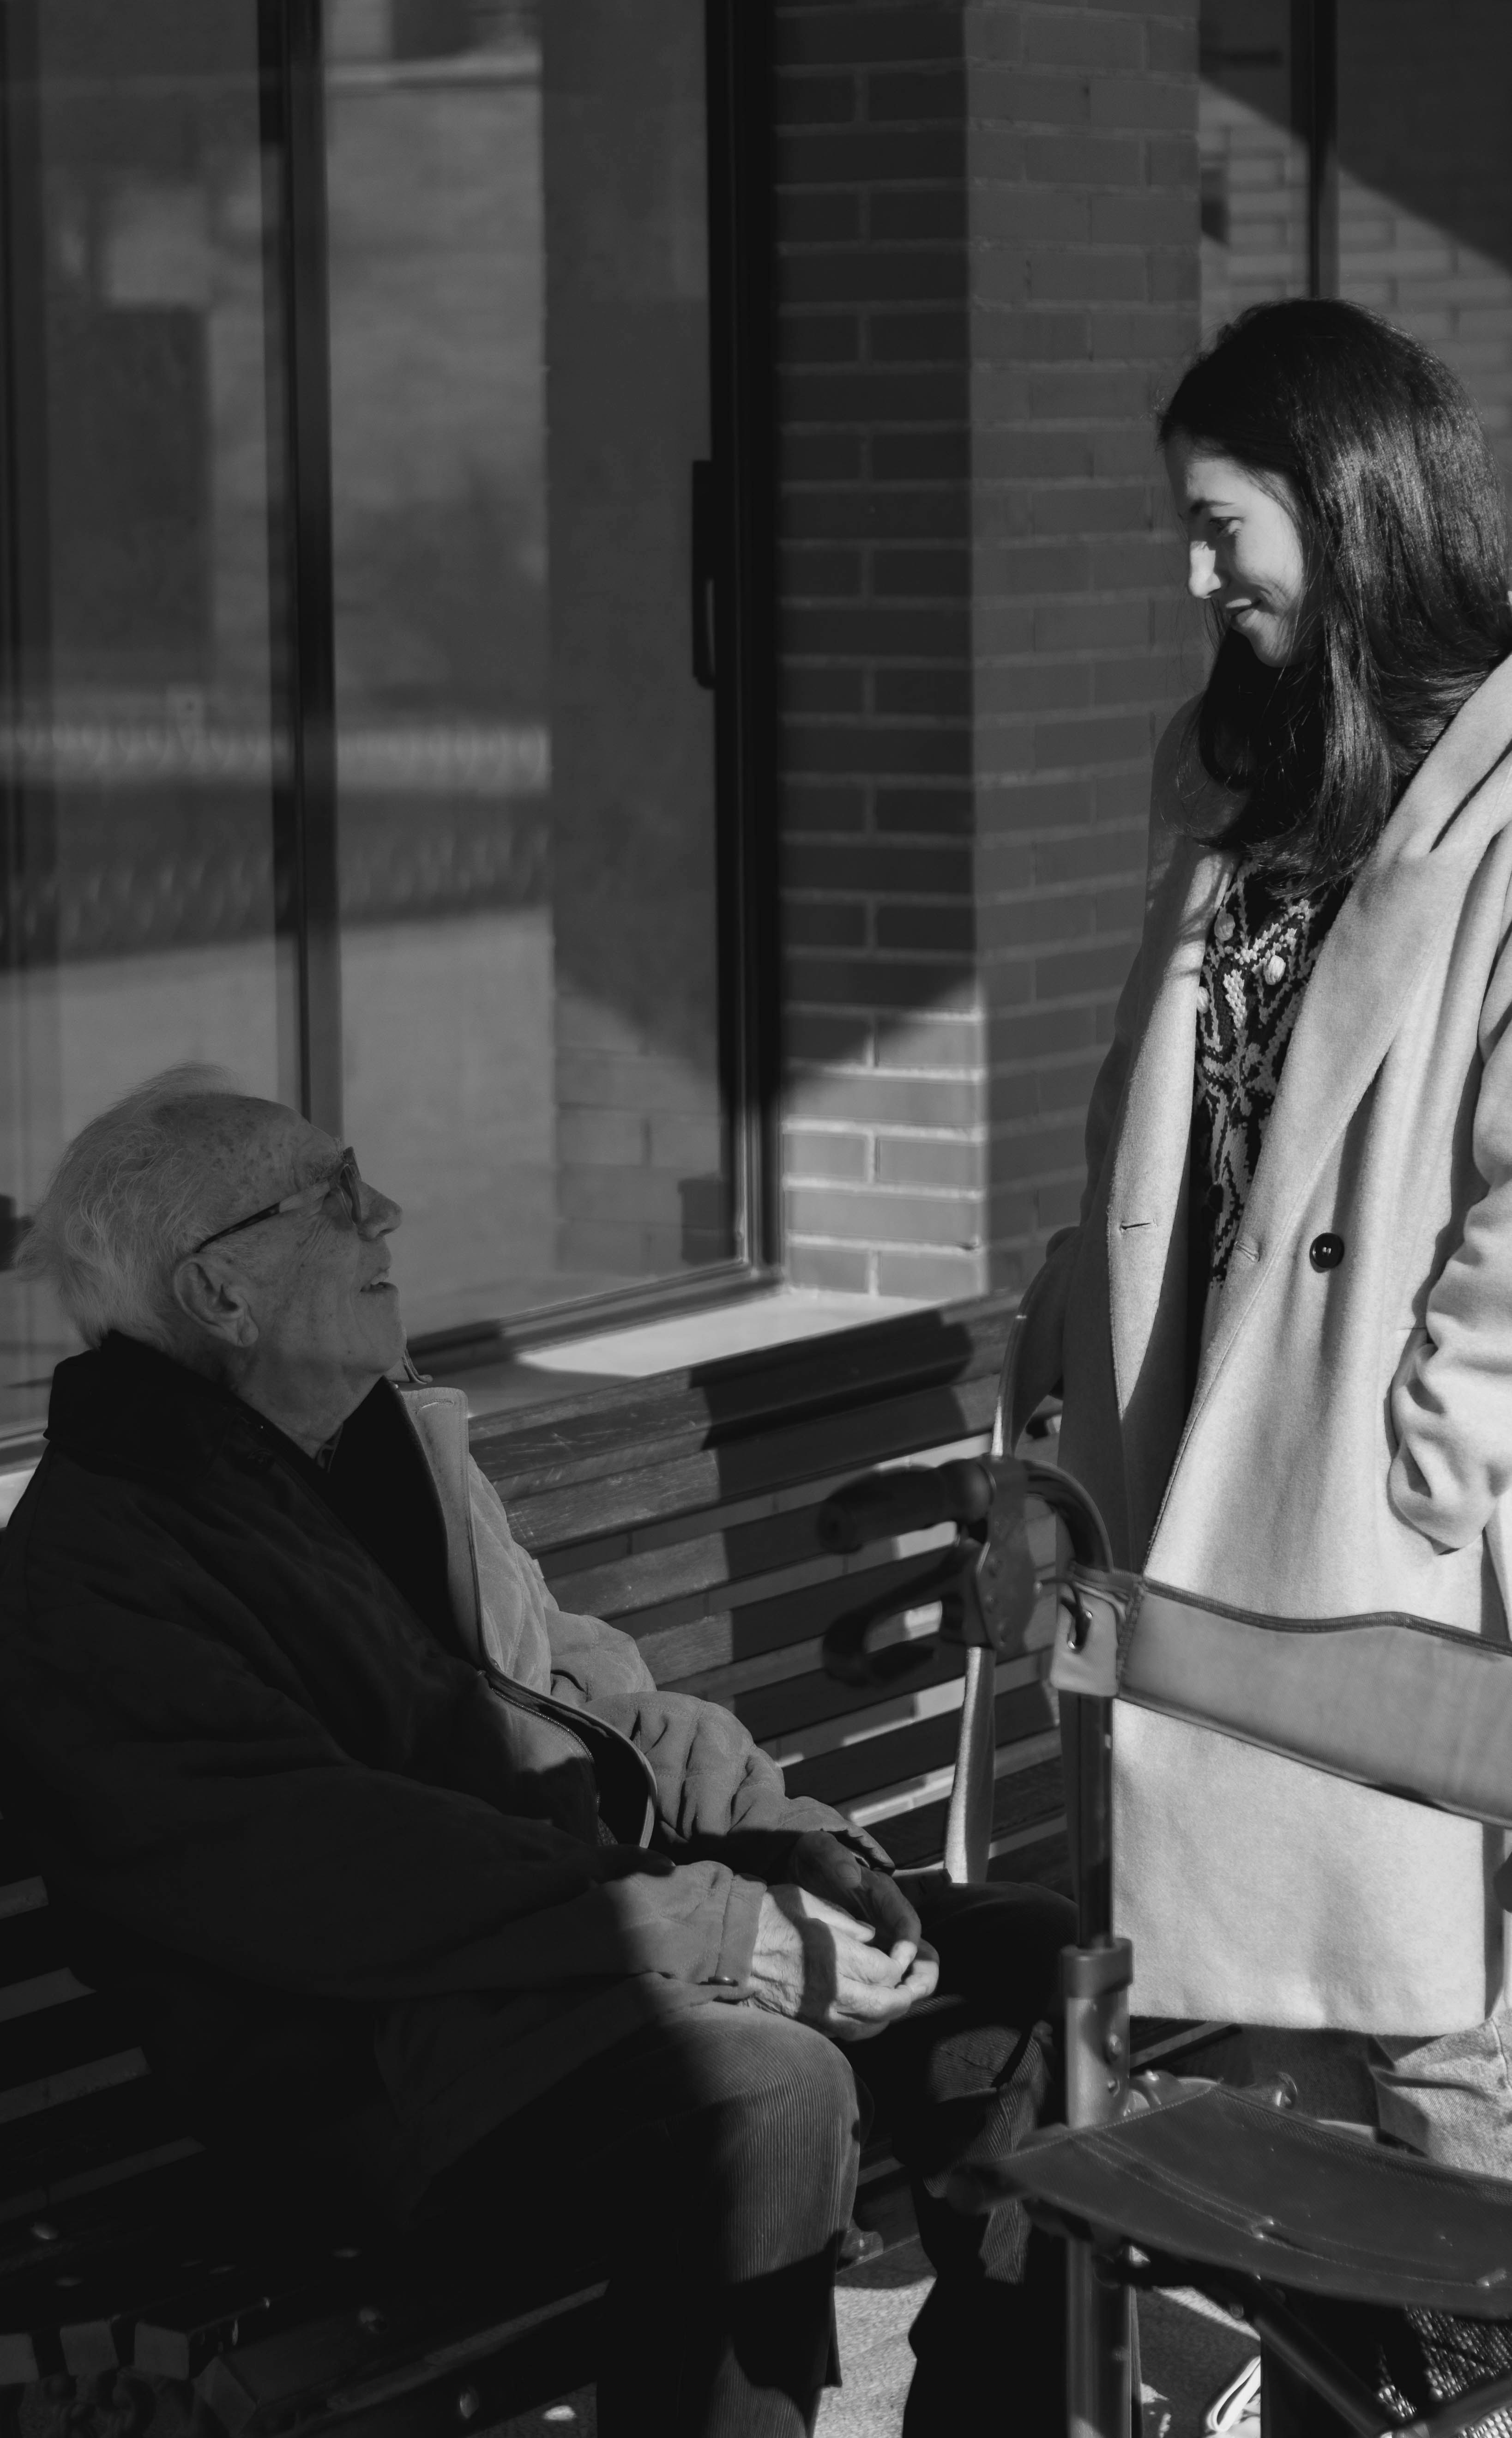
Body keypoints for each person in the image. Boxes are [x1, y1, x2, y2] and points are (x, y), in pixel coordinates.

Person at [0, 1067, 1076, 2438]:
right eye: (335, 1196)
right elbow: (357, 1880)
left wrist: (797, 1843)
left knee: (1022, 1961)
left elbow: (596, 1701)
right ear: (222, 1295)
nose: (384, 1215)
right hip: (374, 2088)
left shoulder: (378, 1445)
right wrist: (711, 1929)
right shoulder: (95, 1581)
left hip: (564, 1988)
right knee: (759, 2089)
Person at [1010, 296, 1512, 2136]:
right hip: (1196, 1454)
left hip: (1382, 1523)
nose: (1194, 563)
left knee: (1435, 2027)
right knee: (1252, 2021)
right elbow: (1162, 1114)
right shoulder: (1223, 765)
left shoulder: (1507, 801)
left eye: (1224, 520)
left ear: (1348, 499)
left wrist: (1422, 1470)